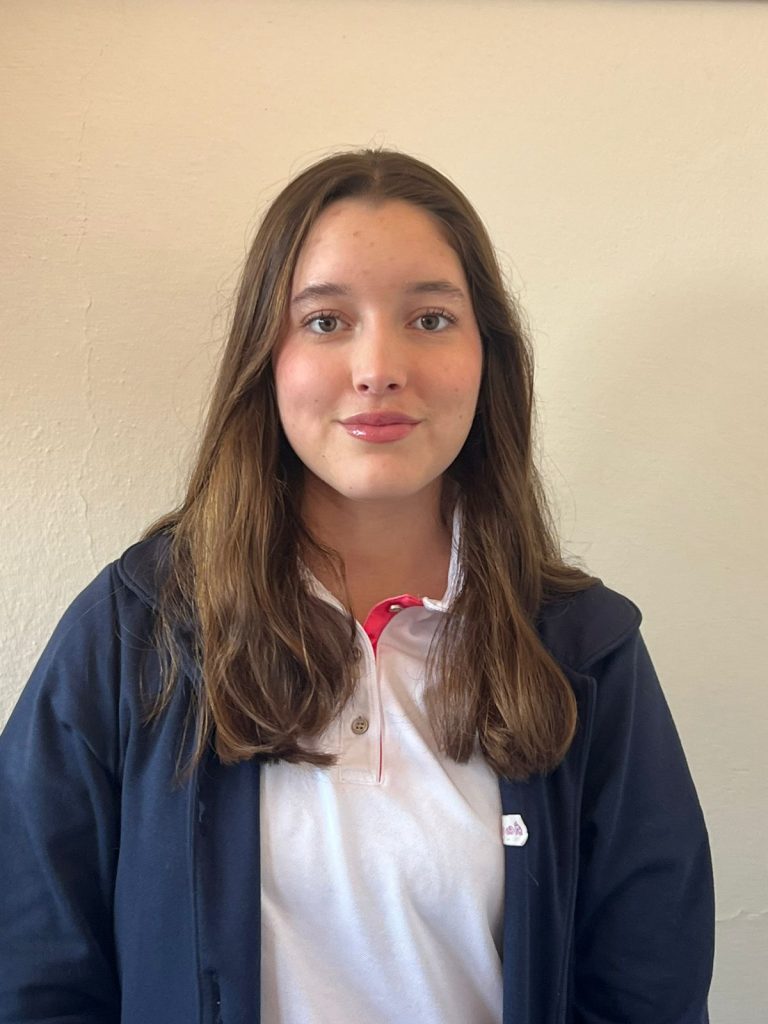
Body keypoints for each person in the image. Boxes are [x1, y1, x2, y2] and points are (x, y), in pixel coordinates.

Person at [0, 149, 714, 1024]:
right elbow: (31, 970)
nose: (378, 366)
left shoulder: (584, 650)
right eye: (327, 321)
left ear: (488, 355)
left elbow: (649, 989)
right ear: (267, 357)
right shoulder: (136, 628)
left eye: (431, 318)